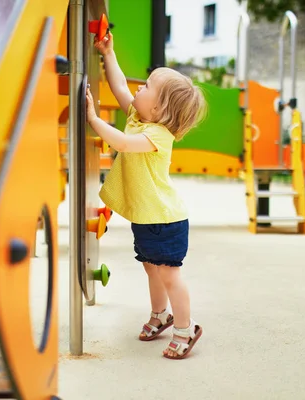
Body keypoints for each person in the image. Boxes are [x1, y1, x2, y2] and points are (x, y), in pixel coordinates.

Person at [85, 31, 207, 360]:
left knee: (168, 274)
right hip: (148, 216)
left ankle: (185, 328)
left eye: (148, 86)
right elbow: (121, 87)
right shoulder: (139, 118)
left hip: (166, 220)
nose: (140, 87)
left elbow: (123, 145)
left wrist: (94, 119)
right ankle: (161, 315)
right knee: (151, 268)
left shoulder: (157, 134)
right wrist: (108, 54)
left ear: (161, 108)